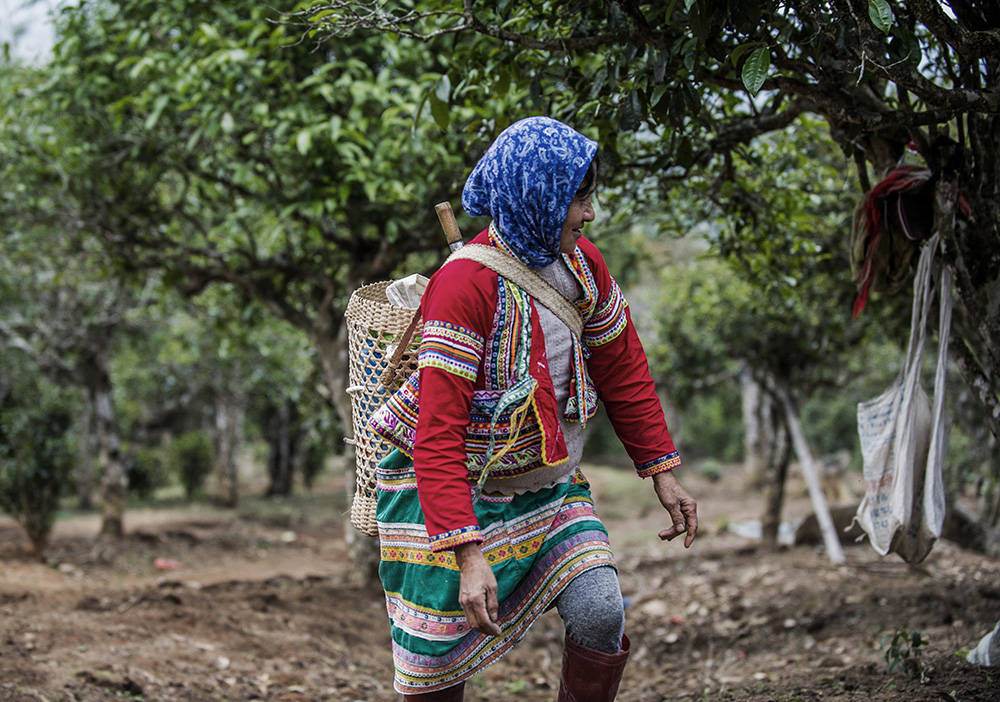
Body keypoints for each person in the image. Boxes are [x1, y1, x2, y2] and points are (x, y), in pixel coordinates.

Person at [368, 116, 697, 701]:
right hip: (448, 502)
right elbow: (437, 433)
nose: (589, 214)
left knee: (600, 614)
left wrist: (662, 474)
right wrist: (467, 556)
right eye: (579, 200)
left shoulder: (583, 266)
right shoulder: (464, 285)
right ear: (538, 199)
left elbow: (622, 368)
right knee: (436, 673)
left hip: (548, 493)